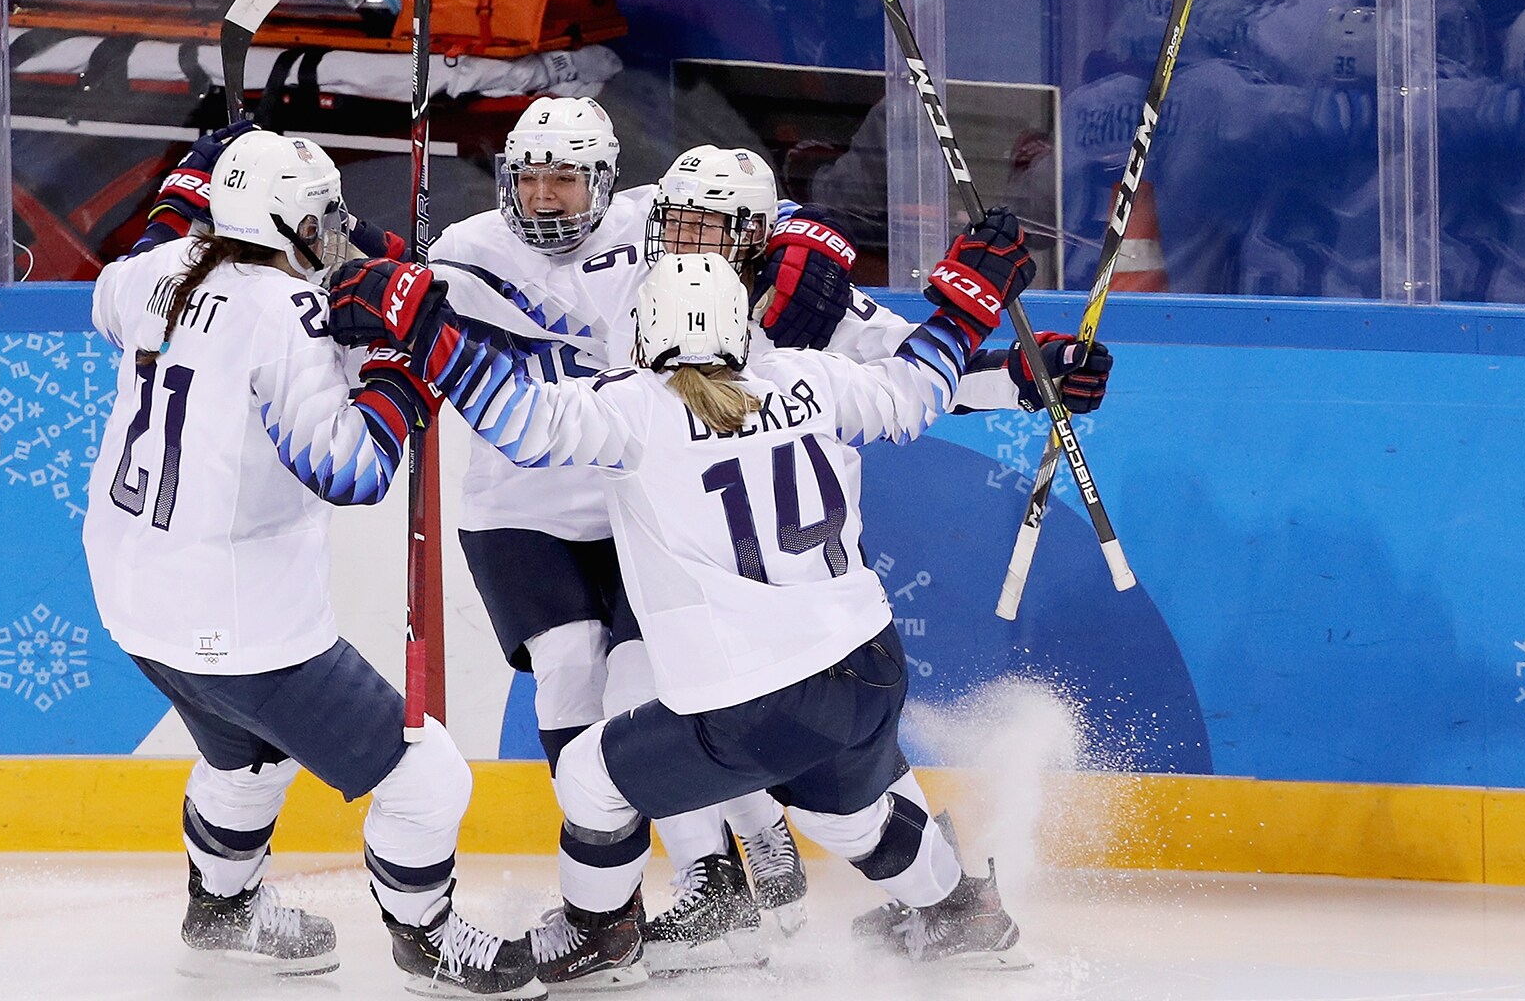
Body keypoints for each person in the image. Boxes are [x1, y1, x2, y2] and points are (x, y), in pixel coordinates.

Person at [431, 117, 1110, 972]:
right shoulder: (805, 370)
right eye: (676, 225)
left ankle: (606, 928)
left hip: (755, 686)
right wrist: (979, 322)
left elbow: (522, 418)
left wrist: (426, 337)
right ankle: (958, 912)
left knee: (594, 775)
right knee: (848, 813)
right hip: (865, 653)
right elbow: (911, 387)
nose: (685, 243)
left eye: (710, 229)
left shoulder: (641, 408)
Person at [80, 123, 543, 999]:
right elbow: (353, 471)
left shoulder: (152, 273)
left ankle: (220, 917)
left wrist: (189, 179)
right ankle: (428, 942)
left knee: (246, 756)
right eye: (324, 215)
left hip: (131, 599)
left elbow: (124, 278)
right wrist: (399, 365)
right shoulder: (288, 314)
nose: (337, 229)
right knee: (425, 777)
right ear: (288, 219)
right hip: (242, 620)